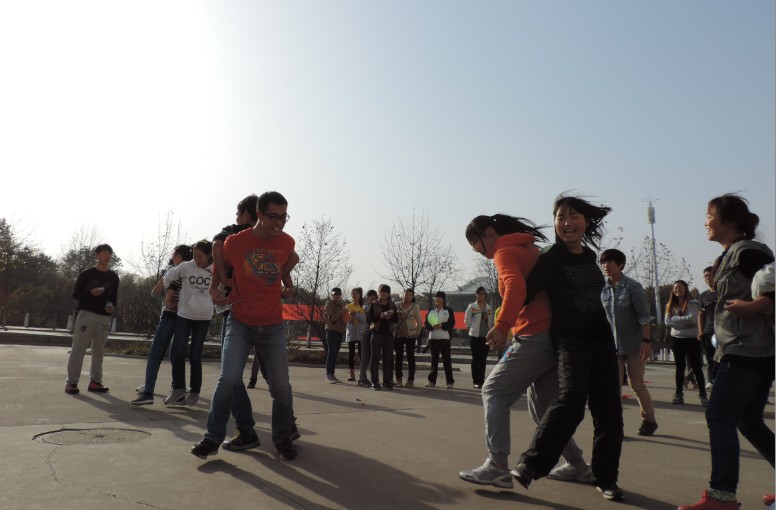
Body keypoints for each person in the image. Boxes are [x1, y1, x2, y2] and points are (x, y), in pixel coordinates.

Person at [459, 214, 591, 491]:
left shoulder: (504, 251)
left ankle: (497, 466)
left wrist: (501, 326)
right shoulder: (528, 248)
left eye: (475, 241)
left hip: (535, 335)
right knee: (542, 409)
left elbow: (515, 288)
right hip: (553, 336)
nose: (475, 248)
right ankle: (579, 466)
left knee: (493, 391)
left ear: (489, 232)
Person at [513, 194, 625, 502]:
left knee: (610, 412)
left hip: (602, 340)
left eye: (574, 216)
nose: (567, 223)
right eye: (561, 217)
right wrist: (508, 318)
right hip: (570, 340)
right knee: (571, 400)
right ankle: (531, 464)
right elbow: (525, 291)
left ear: (585, 221)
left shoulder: (590, 256)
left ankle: (606, 479)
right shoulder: (550, 256)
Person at [678, 194, 775, 510]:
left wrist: (753, 307)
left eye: (710, 215)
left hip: (747, 350)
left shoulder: (750, 252)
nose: (705, 221)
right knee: (748, 420)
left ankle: (722, 496)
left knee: (719, 413)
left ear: (730, 220)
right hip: (743, 349)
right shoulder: (731, 255)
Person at [191, 191, 300, 461]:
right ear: (259, 214)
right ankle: (212, 438)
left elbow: (290, 261)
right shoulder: (237, 242)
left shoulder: (286, 242)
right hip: (240, 322)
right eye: (273, 217)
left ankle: (283, 438)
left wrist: (287, 282)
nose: (279, 223)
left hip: (272, 325)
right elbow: (218, 258)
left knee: (281, 386)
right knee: (229, 378)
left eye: (284, 217)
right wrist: (216, 287)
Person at [599, 248, 658, 436]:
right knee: (613, 386)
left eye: (610, 262)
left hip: (634, 344)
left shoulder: (633, 286)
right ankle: (616, 426)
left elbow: (644, 316)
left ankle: (649, 419)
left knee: (636, 384)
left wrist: (646, 341)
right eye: (603, 262)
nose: (606, 266)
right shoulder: (602, 289)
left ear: (621, 265)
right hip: (612, 345)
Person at [211, 194, 265, 389]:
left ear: (246, 214)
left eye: (237, 213)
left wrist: (222, 279)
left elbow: (216, 245)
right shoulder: (266, 235)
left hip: (235, 303)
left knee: (229, 368)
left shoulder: (232, 231)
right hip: (261, 305)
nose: (236, 218)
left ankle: (232, 407)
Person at [131, 244, 193, 405]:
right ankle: (178, 391)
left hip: (169, 315)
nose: (172, 257)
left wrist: (165, 280)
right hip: (186, 318)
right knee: (177, 356)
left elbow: (155, 292)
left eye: (174, 254)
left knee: (155, 354)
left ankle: (148, 392)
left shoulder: (172, 272)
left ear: (178, 256)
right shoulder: (193, 273)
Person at [162, 240, 214, 407]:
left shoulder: (215, 269)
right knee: (178, 352)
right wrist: (171, 294)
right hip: (184, 315)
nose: (197, 260)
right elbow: (168, 277)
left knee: (195, 355)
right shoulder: (186, 267)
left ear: (209, 255)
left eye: (200, 257)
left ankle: (194, 392)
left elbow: (225, 285)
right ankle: (178, 388)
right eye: (194, 256)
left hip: (204, 318)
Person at [65, 244, 120, 395]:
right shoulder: (86, 274)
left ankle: (95, 382)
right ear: (97, 255)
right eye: (104, 253)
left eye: (109, 253)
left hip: (104, 317)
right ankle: (71, 382)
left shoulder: (113, 277)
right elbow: (76, 294)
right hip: (86, 314)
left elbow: (114, 297)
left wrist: (112, 306)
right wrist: (90, 292)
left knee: (98, 350)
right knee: (79, 348)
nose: (107, 256)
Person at [665, 280, 707, 406]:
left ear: (685, 288)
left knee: (696, 367)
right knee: (680, 367)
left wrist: (676, 319)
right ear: (673, 290)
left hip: (692, 339)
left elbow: (693, 319)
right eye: (676, 288)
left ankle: (703, 395)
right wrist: (684, 325)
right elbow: (667, 321)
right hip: (677, 339)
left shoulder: (693, 303)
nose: (678, 290)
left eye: (681, 287)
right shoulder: (670, 305)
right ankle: (679, 394)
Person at [366, 284, 398, 390]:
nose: (383, 293)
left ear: (388, 293)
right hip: (376, 333)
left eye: (385, 292)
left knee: (387, 359)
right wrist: (380, 316)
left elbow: (396, 319)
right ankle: (374, 382)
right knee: (375, 358)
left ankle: (387, 381)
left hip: (389, 335)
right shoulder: (374, 304)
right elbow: (369, 319)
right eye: (381, 291)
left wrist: (389, 318)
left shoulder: (392, 305)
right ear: (378, 293)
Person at [424, 291, 456, 389]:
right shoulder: (431, 310)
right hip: (433, 338)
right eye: (436, 297)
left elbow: (452, 323)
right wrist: (432, 326)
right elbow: (426, 324)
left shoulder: (448, 310)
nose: (437, 299)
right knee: (434, 361)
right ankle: (431, 381)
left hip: (445, 339)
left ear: (443, 299)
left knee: (447, 361)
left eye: (440, 297)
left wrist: (442, 325)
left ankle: (450, 382)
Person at [463, 287, 493, 389]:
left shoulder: (489, 308)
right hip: (474, 336)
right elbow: (466, 319)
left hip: (485, 336)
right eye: (479, 294)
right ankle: (476, 381)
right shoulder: (472, 306)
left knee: (483, 359)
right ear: (476, 295)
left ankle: (482, 380)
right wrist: (470, 329)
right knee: (476, 358)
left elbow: (490, 322)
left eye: (482, 294)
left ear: (485, 295)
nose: (480, 295)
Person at [394, 288, 422, 388]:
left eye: (410, 295)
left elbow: (419, 321)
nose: (408, 296)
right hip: (399, 334)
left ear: (412, 296)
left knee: (410, 357)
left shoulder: (415, 307)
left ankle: (410, 380)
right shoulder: (396, 305)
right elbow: (392, 318)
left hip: (411, 335)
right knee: (398, 357)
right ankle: (398, 379)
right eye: (406, 294)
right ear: (403, 294)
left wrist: (417, 333)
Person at [698, 266, 718, 390]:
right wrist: (701, 331)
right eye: (705, 276)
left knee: (722, 358)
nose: (708, 278)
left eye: (710, 275)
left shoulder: (723, 292)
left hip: (723, 331)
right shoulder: (704, 295)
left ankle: (722, 380)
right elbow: (701, 314)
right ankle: (712, 380)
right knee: (710, 358)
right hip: (708, 331)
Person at [323, 287, 348, 383]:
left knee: (335, 354)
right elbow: (332, 318)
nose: (336, 296)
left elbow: (344, 319)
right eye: (334, 295)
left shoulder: (340, 305)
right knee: (331, 353)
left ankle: (332, 375)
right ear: (331, 295)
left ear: (340, 296)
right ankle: (329, 375)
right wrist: (341, 311)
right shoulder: (328, 305)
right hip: (331, 331)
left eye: (338, 295)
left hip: (339, 332)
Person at [357, 289, 378, 386]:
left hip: (375, 333)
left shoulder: (376, 306)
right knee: (365, 356)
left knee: (372, 357)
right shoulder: (366, 307)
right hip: (366, 333)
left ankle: (369, 378)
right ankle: (362, 378)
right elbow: (367, 317)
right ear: (367, 298)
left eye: (375, 298)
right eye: (371, 298)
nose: (373, 300)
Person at [345, 288, 366, 382]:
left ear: (360, 295)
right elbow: (346, 320)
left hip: (361, 333)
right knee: (351, 354)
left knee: (362, 354)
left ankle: (362, 374)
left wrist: (356, 314)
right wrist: (350, 315)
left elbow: (365, 319)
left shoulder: (363, 307)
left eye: (356, 293)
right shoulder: (348, 306)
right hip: (351, 333)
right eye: (353, 293)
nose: (354, 295)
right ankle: (351, 374)